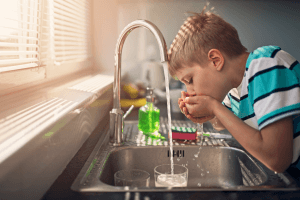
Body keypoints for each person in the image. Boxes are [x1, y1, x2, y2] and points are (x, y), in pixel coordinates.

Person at [168, 5, 300, 173]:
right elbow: (222, 123)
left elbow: (276, 159)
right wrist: (207, 114)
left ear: (215, 60)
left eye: (190, 80)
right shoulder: (234, 89)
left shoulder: (265, 65)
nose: (190, 91)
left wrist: (213, 106)